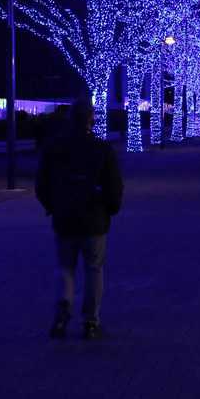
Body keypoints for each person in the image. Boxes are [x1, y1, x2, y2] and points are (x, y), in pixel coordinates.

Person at [36, 92, 124, 341]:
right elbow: (114, 185)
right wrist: (111, 208)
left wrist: (52, 206)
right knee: (94, 268)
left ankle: (63, 310)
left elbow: (41, 183)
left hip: (65, 217)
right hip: (95, 218)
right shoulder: (101, 149)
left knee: (66, 267)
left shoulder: (55, 147)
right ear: (91, 120)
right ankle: (90, 321)